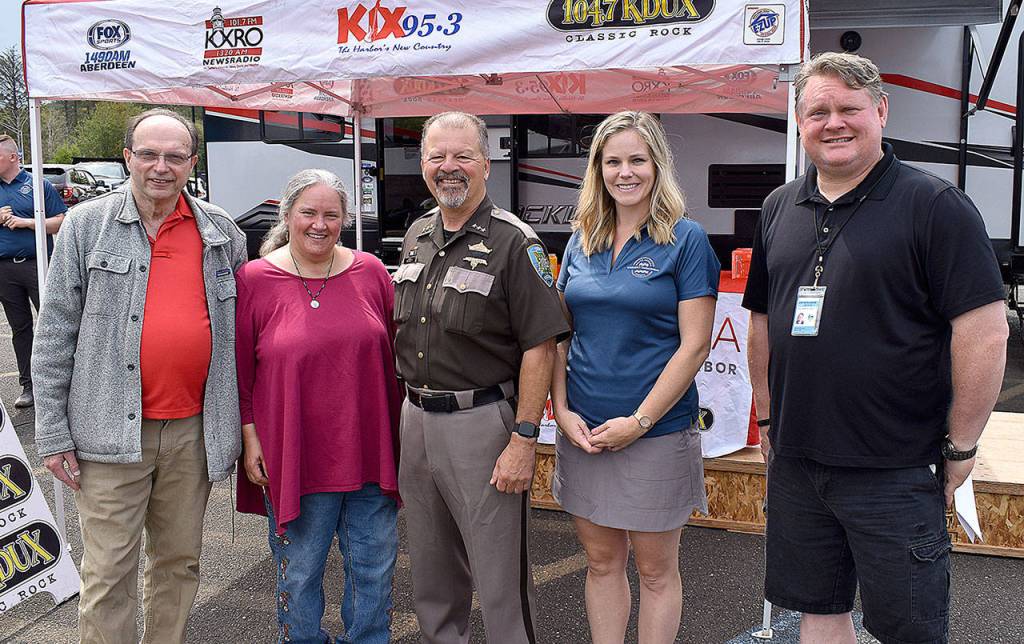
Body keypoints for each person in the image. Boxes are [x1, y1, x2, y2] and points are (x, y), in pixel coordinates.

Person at [742, 52, 1008, 644]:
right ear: (799, 120)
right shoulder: (778, 208)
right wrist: (765, 417)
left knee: (907, 629)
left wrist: (961, 443)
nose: (833, 122)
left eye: (848, 108)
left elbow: (986, 332)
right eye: (818, 111)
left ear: (881, 111)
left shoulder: (934, 207)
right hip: (800, 460)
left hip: (895, 468)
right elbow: (761, 321)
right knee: (817, 611)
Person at [32, 108, 247, 644]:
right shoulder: (86, 226)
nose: (160, 166)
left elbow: (240, 335)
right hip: (107, 434)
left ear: (191, 163)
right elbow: (55, 332)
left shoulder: (222, 233)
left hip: (193, 433)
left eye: (175, 156)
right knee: (108, 574)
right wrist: (54, 433)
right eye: (148, 154)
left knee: (179, 563)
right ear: (127, 157)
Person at [394, 111, 569, 643]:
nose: (450, 167)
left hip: (483, 423)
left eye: (463, 155)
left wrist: (524, 438)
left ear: (486, 164)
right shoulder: (418, 234)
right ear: (424, 165)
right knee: (430, 567)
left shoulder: (516, 242)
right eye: (437, 157)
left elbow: (541, 347)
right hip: (417, 418)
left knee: (499, 575)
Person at [551, 111, 719, 643]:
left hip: (656, 432)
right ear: (597, 170)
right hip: (586, 432)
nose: (625, 172)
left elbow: (694, 345)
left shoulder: (685, 240)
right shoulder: (581, 241)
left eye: (637, 160)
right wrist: (562, 409)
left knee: (654, 571)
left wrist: (641, 421)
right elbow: (561, 335)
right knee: (601, 564)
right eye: (613, 161)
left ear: (657, 166)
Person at [235, 169, 401, 644]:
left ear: (345, 219)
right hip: (295, 455)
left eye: (331, 214)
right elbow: (241, 372)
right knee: (300, 574)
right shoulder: (255, 279)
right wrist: (251, 440)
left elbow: (394, 354)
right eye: (308, 212)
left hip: (370, 454)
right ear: (287, 215)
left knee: (373, 572)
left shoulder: (370, 272)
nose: (319, 224)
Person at [0, 134, 66, 408]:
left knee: (53, 326)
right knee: (20, 329)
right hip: (4, 269)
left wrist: (27, 222)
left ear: (13, 157)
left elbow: (60, 221)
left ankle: (61, 385)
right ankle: (29, 386)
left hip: (37, 265)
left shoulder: (37, 185)